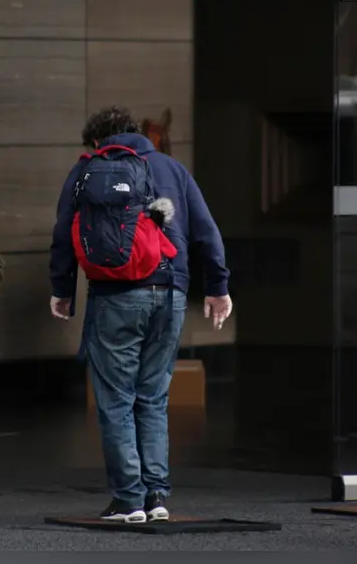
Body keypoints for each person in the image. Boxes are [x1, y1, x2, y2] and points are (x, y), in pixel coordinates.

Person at [48, 106, 232, 523]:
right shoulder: (172, 168)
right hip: (170, 293)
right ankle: (156, 497)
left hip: (115, 296)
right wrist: (218, 287)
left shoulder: (87, 169)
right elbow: (206, 230)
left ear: (99, 142)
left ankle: (128, 500)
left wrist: (62, 290)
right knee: (153, 398)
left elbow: (63, 232)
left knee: (115, 400)